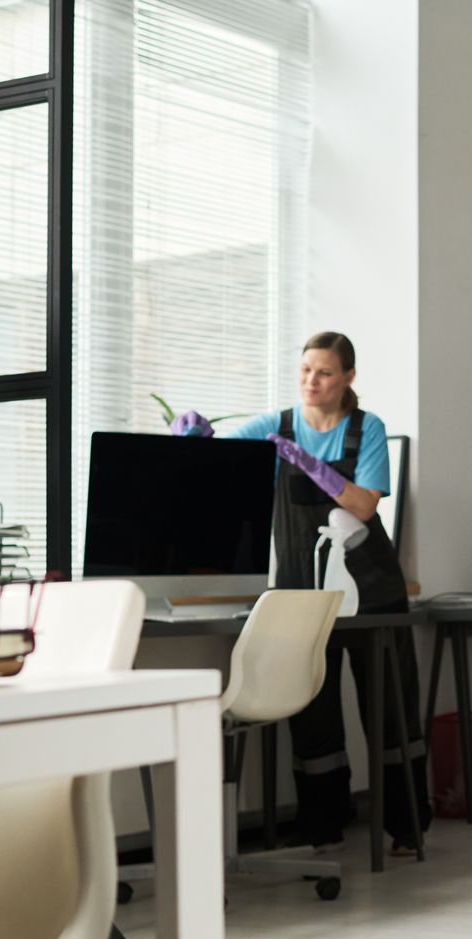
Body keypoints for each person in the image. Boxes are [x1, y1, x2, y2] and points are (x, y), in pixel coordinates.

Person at [173, 331, 431, 852]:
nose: (312, 381)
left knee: (389, 709)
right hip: (301, 596)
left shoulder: (367, 428)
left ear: (348, 379)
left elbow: (362, 506)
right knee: (314, 711)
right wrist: (191, 439)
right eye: (306, 370)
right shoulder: (276, 426)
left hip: (370, 592)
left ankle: (406, 828)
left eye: (326, 372)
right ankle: (323, 827)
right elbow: (218, 471)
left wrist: (312, 468)